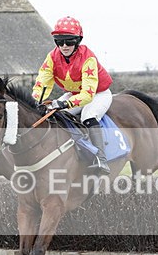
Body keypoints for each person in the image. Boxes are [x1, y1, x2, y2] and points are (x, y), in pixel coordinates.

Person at [32, 16, 113, 174]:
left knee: (88, 117)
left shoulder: (87, 58)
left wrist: (65, 104)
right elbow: (43, 81)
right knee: (51, 115)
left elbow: (88, 94)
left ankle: (101, 159)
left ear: (77, 41)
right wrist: (37, 100)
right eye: (59, 41)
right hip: (75, 94)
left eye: (69, 41)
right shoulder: (52, 57)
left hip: (98, 93)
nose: (64, 46)